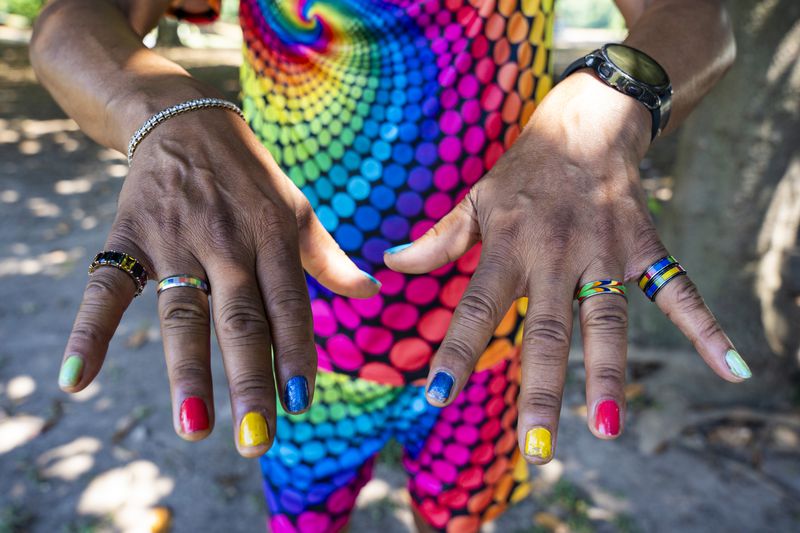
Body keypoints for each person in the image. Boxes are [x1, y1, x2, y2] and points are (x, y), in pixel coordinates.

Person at [29, 0, 745, 531]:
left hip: (491, 334)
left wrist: (610, 102)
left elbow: (696, 17)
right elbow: (75, 22)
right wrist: (158, 109)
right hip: (299, 338)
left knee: (462, 520)